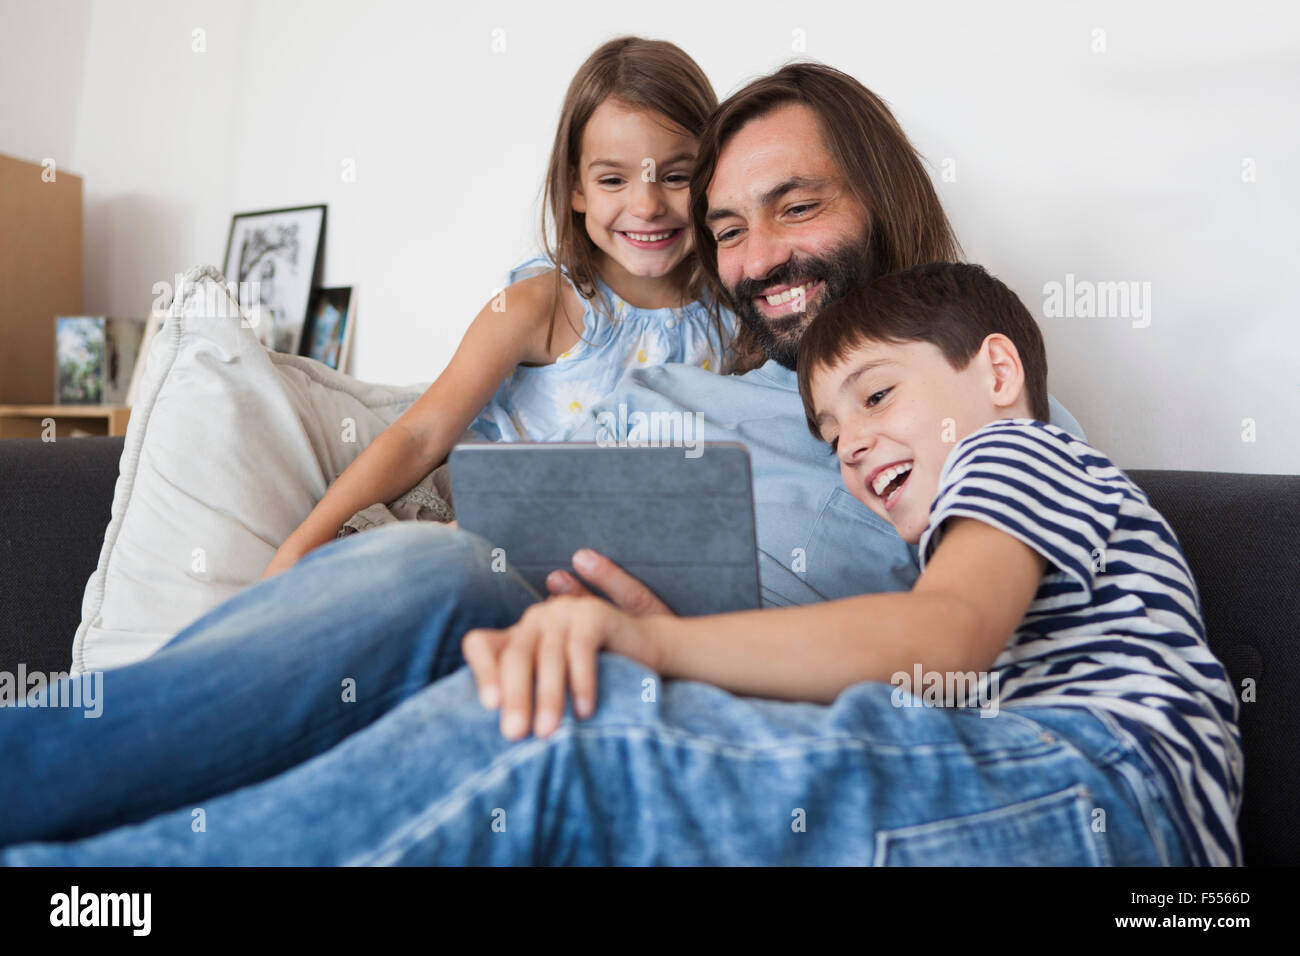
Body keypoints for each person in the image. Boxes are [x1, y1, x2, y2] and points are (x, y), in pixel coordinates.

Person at [1, 63, 1139, 866]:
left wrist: (656, 640)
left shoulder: (981, 411)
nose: (759, 255)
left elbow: (942, 633)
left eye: (797, 207)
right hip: (574, 625)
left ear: (881, 200)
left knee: (529, 723)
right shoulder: (709, 369)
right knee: (426, 568)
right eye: (731, 226)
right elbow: (453, 443)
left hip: (704, 688)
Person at [260, 36, 735, 578]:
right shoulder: (541, 305)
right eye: (612, 180)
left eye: (676, 176)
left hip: (596, 555)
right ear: (574, 188)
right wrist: (297, 548)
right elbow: (419, 437)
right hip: (464, 519)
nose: (647, 205)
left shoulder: (731, 320)